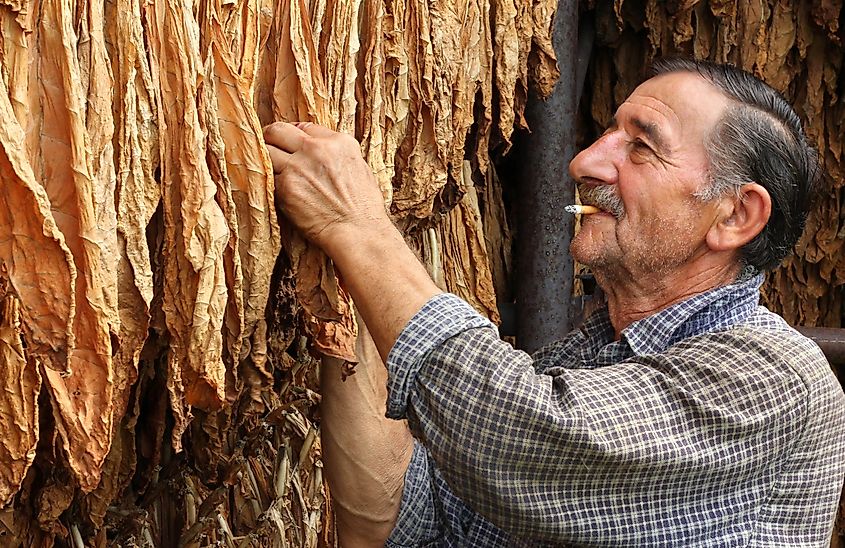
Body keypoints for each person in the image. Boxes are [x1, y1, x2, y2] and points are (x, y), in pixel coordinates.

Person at [264, 57, 845, 546]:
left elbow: (516, 436)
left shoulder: (774, 375)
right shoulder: (583, 358)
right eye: (609, 134)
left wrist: (359, 225)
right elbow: (398, 522)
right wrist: (342, 272)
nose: (585, 163)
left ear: (735, 216)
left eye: (640, 147)